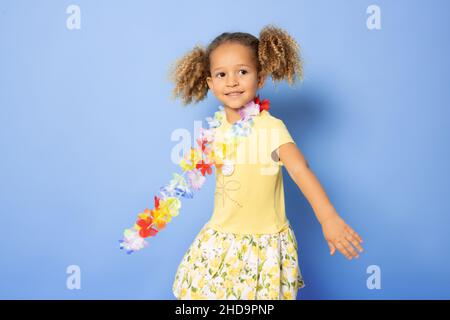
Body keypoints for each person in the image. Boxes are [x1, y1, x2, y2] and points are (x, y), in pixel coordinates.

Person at [169, 25, 364, 300]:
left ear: (260, 78)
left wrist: (328, 217)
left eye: (243, 72)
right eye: (222, 74)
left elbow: (300, 169)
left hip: (264, 244)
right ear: (210, 83)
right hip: (221, 239)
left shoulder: (271, 128)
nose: (233, 81)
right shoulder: (212, 132)